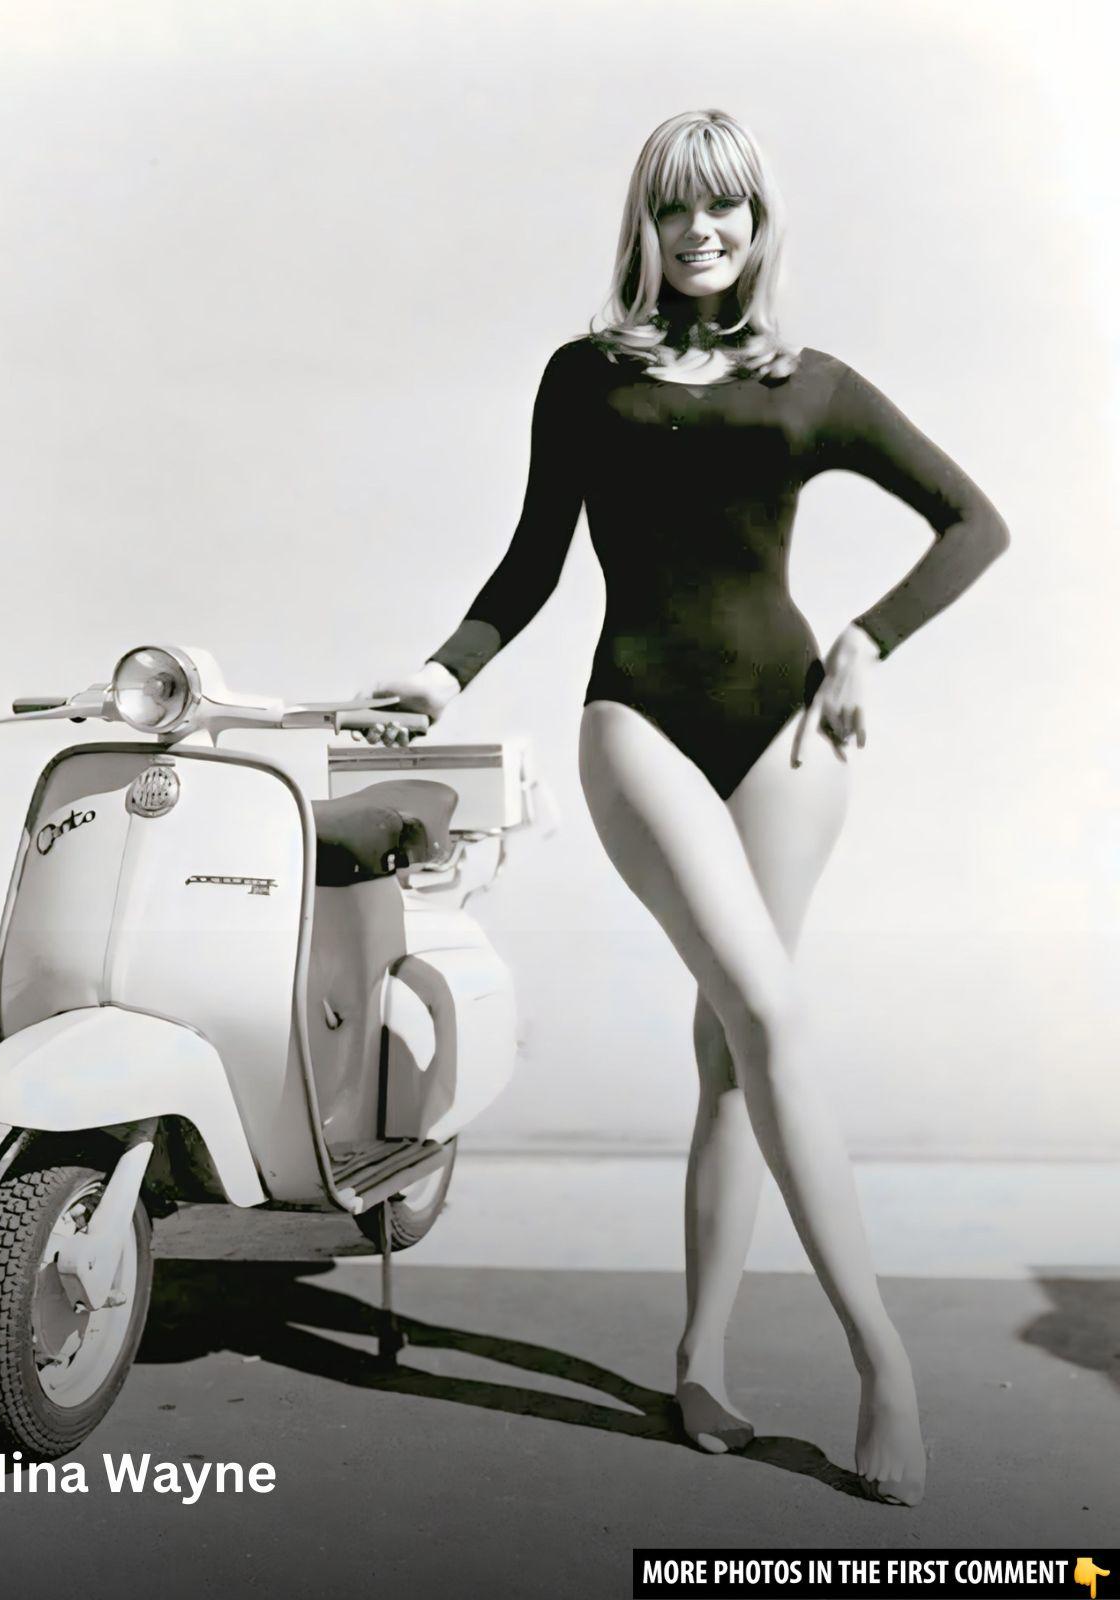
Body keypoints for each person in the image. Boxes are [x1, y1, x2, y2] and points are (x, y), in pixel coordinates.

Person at [354, 108, 1009, 1507]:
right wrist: (441, 673)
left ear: (761, 227)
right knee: (771, 1013)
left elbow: (976, 523)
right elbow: (532, 560)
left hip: (791, 739)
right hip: (639, 719)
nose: (703, 230)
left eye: (728, 208)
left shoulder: (809, 385)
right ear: (644, 226)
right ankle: (884, 1360)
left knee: (730, 1049)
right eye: (677, 207)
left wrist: (868, 639)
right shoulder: (588, 377)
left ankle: (701, 1355)